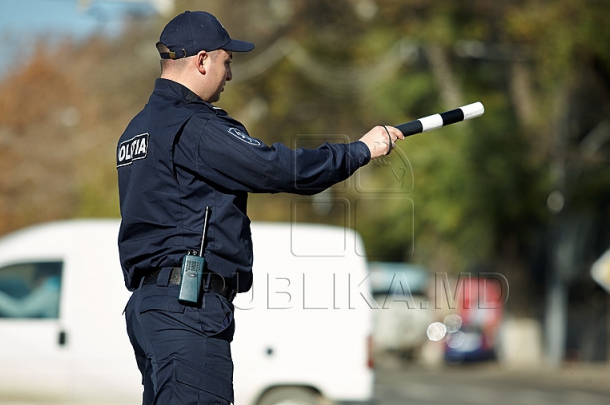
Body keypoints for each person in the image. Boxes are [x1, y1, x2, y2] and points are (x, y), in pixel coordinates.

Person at [116, 10, 403, 405]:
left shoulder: (137, 129)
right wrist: (360, 151)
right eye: (226, 62)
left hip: (152, 309)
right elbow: (278, 170)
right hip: (187, 309)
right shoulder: (194, 126)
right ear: (201, 60)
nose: (230, 75)